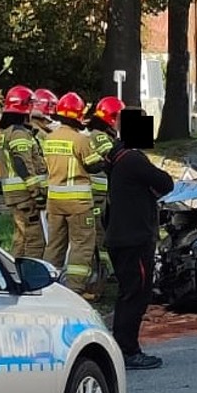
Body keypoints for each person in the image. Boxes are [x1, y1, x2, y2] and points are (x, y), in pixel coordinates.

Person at [104, 135, 175, 370]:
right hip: (134, 239)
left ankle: (123, 347)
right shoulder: (133, 159)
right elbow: (165, 183)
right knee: (136, 294)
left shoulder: (116, 159)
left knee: (128, 293)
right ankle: (128, 350)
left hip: (121, 237)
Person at [42, 92, 107, 297]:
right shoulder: (80, 140)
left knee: (54, 246)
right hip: (78, 203)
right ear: (79, 115)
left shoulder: (49, 139)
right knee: (81, 245)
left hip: (54, 202)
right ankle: (75, 290)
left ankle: (47, 285)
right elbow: (94, 165)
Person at [0, 85, 47, 260]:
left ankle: (13, 273)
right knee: (35, 241)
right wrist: (36, 191)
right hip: (25, 196)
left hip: (16, 196)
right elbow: (22, 163)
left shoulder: (8, 132)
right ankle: (32, 278)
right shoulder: (19, 134)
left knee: (21, 238)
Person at [84, 96, 124, 294]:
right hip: (96, 195)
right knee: (99, 235)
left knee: (103, 234)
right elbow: (113, 157)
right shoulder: (99, 136)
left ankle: (106, 271)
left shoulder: (102, 134)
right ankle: (103, 272)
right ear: (110, 118)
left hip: (102, 194)